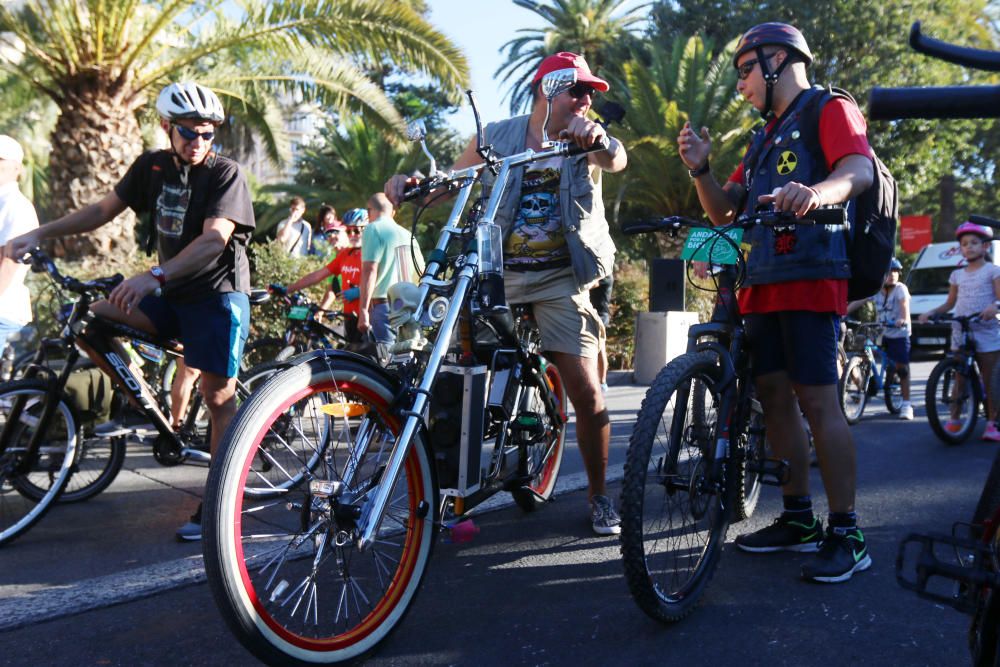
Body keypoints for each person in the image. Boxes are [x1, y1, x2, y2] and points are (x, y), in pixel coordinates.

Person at [386, 51, 627, 536]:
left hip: (561, 277)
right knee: (446, 369)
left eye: (589, 93)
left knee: (585, 390)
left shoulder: (587, 134)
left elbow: (614, 156)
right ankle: (444, 488)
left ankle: (600, 496)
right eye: (576, 90)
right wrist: (411, 185)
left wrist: (598, 138)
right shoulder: (497, 135)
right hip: (498, 273)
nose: (585, 100)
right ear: (547, 88)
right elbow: (451, 184)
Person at [6, 81, 255, 541]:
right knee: (94, 317)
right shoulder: (152, 166)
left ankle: (220, 505)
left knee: (219, 397)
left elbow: (214, 240)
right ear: (166, 127)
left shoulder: (225, 173)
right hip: (174, 296)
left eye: (206, 133)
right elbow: (102, 210)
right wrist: (40, 234)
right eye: (188, 132)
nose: (198, 142)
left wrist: (153, 277)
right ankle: (139, 398)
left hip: (218, 296)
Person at [677, 23, 875, 581]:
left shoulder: (827, 109)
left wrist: (817, 193)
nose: (741, 83)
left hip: (811, 275)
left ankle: (847, 532)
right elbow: (725, 213)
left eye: (745, 70)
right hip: (758, 283)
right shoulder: (763, 137)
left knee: (817, 401)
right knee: (774, 399)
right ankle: (797, 518)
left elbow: (857, 169)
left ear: (778, 60)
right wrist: (701, 170)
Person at [918, 222, 1000, 441]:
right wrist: (931, 312)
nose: (969, 247)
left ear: (985, 247)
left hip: (985, 329)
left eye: (974, 243)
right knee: (959, 376)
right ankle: (955, 418)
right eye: (964, 244)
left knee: (990, 378)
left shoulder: (993, 271)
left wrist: (995, 307)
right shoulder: (957, 275)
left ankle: (993, 422)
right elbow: (949, 303)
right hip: (961, 327)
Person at [287, 207, 367, 345]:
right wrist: (288, 288)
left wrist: (359, 292)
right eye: (349, 230)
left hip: (367, 318)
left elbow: (382, 282)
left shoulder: (369, 254)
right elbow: (317, 276)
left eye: (357, 230)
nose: (352, 234)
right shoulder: (344, 255)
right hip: (349, 317)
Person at [847, 257, 913, 420]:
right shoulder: (877, 290)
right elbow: (860, 300)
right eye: (888, 272)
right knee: (863, 349)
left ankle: (906, 404)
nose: (892, 275)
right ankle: (866, 390)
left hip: (899, 333)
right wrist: (843, 311)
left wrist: (902, 320)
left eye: (895, 272)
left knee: (902, 368)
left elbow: (904, 307)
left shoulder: (901, 289)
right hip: (883, 332)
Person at [357, 193, 423, 348]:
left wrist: (363, 311)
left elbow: (370, 270)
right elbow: (421, 274)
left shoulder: (372, 229)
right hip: (410, 307)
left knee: (386, 363)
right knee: (409, 358)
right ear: (393, 211)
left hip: (384, 306)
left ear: (369, 211)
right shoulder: (408, 235)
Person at [0, 135, 38, 351]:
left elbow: (8, 264)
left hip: (3, 314)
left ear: (16, 168)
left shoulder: (15, 206)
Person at [589, 274, 613, 394]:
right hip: (594, 313)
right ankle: (599, 381)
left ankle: (602, 382)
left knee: (600, 348)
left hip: (600, 315)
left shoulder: (605, 276)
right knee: (596, 348)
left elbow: (592, 284)